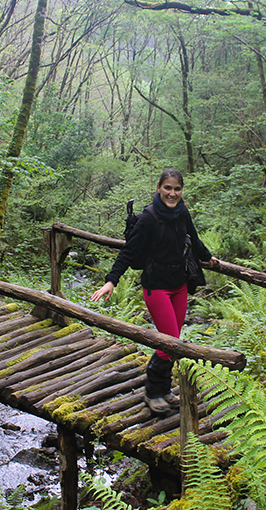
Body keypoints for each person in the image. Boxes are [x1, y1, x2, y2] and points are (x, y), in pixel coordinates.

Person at [91, 168, 217, 414]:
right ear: (159, 188)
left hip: (179, 284)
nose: (172, 193)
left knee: (174, 342)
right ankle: (152, 392)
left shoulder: (182, 213)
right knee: (169, 342)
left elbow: (194, 238)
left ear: (182, 190)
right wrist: (111, 281)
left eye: (177, 188)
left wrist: (208, 258)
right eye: (167, 188)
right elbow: (128, 251)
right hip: (156, 286)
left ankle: (164, 390)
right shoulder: (148, 218)